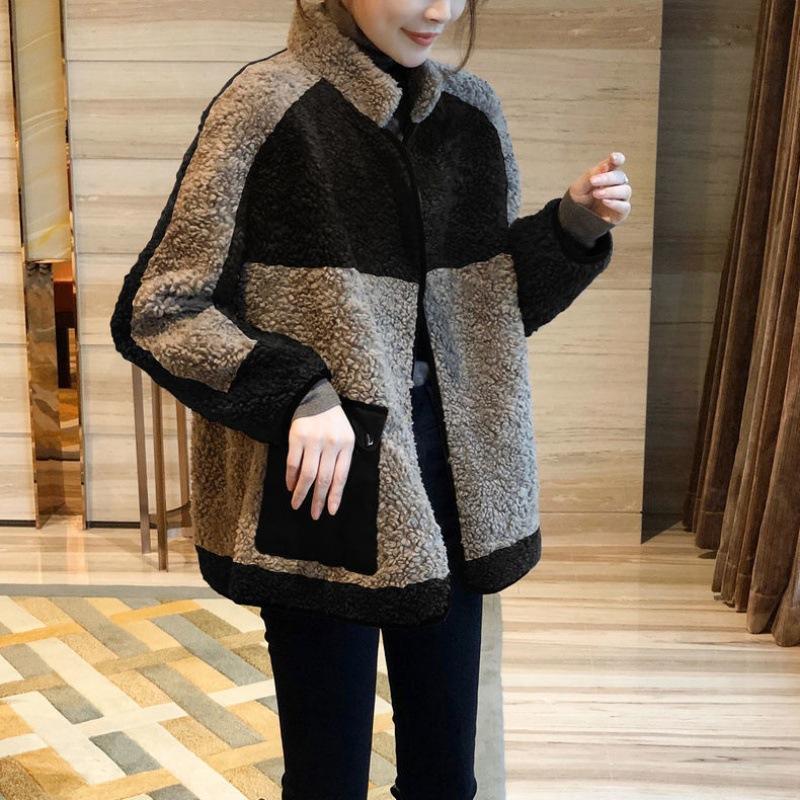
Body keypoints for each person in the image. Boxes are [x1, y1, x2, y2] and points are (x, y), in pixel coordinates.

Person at [109, 1, 631, 797]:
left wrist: (572, 227)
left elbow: (483, 318)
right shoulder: (267, 104)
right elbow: (161, 310)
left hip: (453, 477)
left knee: (445, 776)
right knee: (327, 775)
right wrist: (299, 391)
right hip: (329, 478)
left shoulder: (472, 113)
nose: (440, 9)